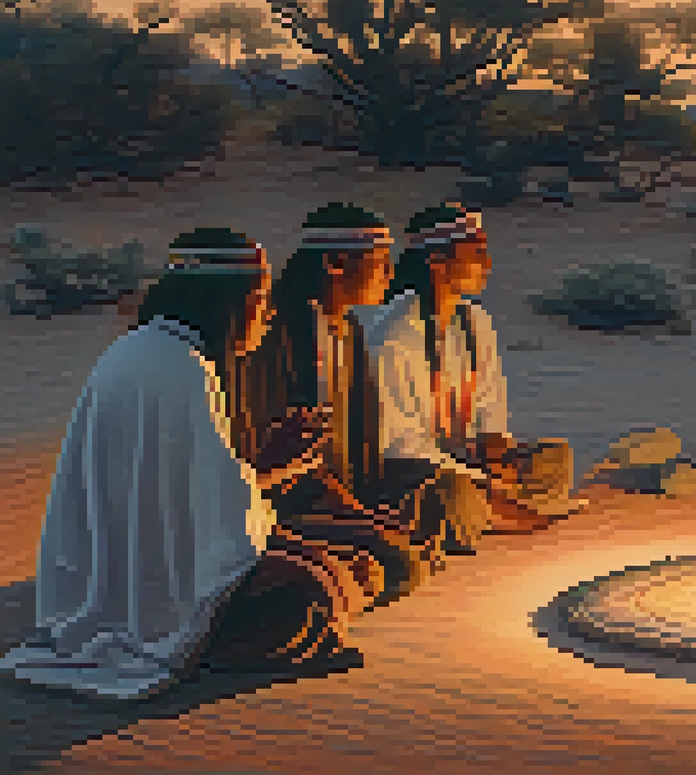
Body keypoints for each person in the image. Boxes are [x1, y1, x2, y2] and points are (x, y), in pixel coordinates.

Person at [0, 229, 381, 699]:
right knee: (312, 591)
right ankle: (208, 651)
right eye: (259, 299)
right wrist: (276, 465)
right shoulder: (183, 368)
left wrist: (264, 470)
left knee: (330, 565)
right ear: (227, 302)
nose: (268, 314)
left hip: (132, 570)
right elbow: (214, 518)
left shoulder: (148, 350)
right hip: (154, 592)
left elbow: (188, 500)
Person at [241, 203, 434, 602]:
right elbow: (290, 457)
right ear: (334, 263)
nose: (389, 275)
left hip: (341, 492)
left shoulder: (349, 330)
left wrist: (371, 504)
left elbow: (362, 444)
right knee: (399, 561)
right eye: (379, 263)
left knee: (433, 495)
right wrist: (361, 516)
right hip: (286, 502)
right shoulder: (277, 335)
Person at [367, 202, 573, 553]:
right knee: (453, 493)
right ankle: (487, 509)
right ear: (436, 262)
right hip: (415, 470)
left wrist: (497, 450)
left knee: (554, 457)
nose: (487, 265)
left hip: (466, 460)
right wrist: (480, 479)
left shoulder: (476, 321)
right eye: (476, 255)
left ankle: (489, 508)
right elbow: (399, 445)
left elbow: (489, 407)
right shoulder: (393, 336)